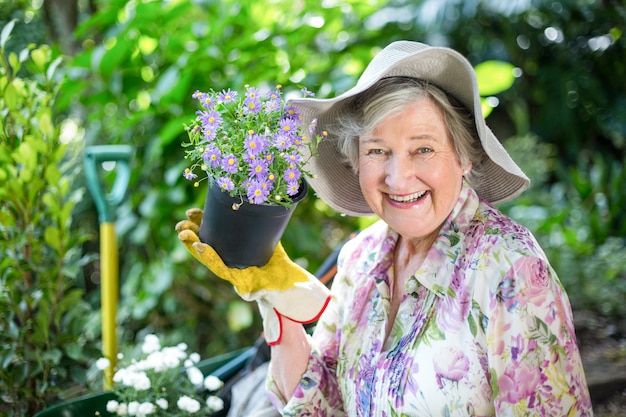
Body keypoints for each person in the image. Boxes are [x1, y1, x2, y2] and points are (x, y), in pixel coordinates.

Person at [177, 41, 593, 416]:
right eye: (377, 151)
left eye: (423, 149)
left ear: (465, 157)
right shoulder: (360, 258)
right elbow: (318, 403)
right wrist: (276, 298)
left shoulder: (511, 270)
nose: (398, 178)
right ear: (356, 161)